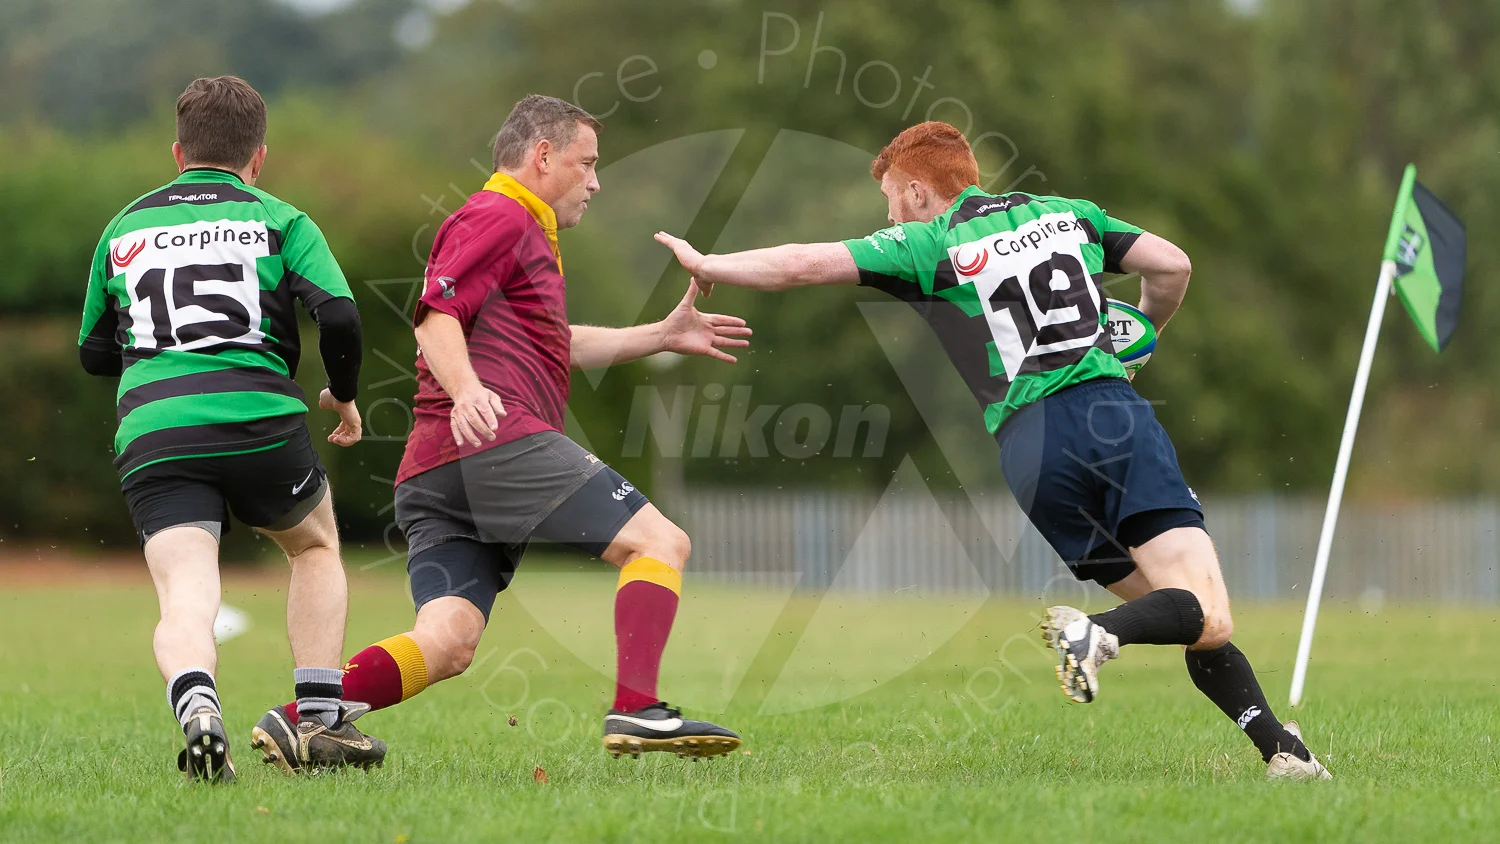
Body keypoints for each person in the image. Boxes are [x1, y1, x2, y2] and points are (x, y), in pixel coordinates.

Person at [652, 121, 1331, 781]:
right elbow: (1173, 264)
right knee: (1201, 607)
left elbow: (804, 264)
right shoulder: (1070, 215)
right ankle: (1095, 635)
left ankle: (1283, 753)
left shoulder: (929, 245)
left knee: (1184, 615)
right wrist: (1146, 329)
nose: (889, 214)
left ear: (919, 193)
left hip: (1030, 457)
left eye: (889, 198)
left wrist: (710, 262)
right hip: (1108, 418)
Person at [251, 95, 747, 767]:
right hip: (494, 441)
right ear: (543, 157)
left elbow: (556, 344)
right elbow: (433, 317)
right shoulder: (501, 213)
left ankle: (297, 721)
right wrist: (468, 392)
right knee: (659, 541)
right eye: (588, 163)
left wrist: (660, 335)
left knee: (449, 639)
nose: (596, 182)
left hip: (436, 468)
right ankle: (638, 710)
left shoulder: (521, 230)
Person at [79, 76, 384, 782]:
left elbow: (94, 354)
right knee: (313, 546)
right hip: (261, 421)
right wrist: (342, 394)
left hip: (157, 429)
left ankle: (198, 704)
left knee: (187, 589)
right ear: (259, 158)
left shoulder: (125, 225)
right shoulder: (281, 218)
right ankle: (316, 718)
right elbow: (338, 315)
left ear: (179, 152)